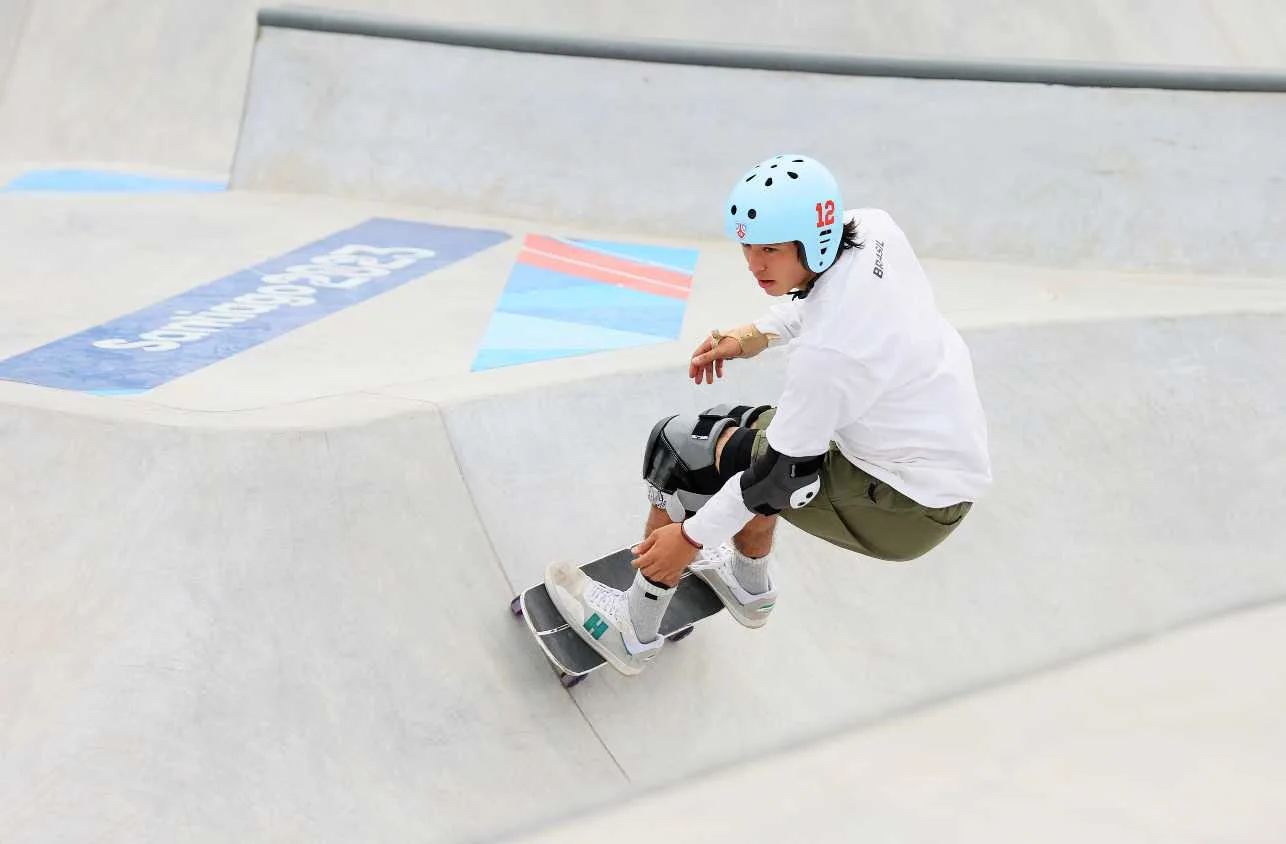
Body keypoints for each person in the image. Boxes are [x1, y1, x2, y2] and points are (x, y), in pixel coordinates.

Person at [545, 153, 992, 675]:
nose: (754, 265)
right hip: (936, 468)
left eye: (770, 251)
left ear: (813, 242)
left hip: (901, 508)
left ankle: (632, 628)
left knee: (682, 447)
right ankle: (748, 584)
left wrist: (687, 540)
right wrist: (753, 335)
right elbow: (825, 298)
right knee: (736, 426)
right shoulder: (874, 231)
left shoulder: (829, 357)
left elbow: (779, 481)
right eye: (748, 247)